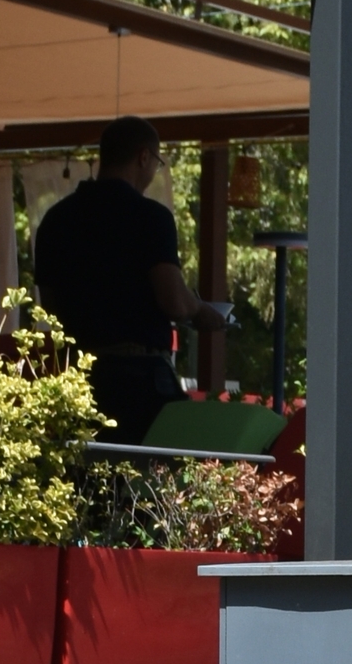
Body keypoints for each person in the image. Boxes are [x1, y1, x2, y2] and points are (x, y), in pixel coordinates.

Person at [32, 115, 231, 443]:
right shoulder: (150, 218)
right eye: (157, 161)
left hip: (79, 379)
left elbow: (50, 309)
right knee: (154, 482)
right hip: (141, 380)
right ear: (143, 157)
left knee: (88, 484)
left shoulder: (56, 220)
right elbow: (174, 302)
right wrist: (201, 310)